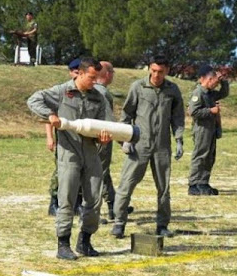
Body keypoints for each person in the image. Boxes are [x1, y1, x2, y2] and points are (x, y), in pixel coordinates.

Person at [28, 58, 112, 260]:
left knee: (94, 197)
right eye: (91, 78)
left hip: (91, 152)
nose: (94, 82)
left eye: (96, 78)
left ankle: (85, 241)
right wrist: (50, 115)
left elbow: (105, 123)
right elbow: (33, 100)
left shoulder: (98, 97)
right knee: (67, 198)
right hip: (69, 153)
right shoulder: (62, 91)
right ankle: (63, 244)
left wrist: (104, 136)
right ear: (80, 74)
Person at [112, 54, 185, 239]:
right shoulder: (138, 87)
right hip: (139, 145)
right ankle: (119, 223)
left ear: (167, 70)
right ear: (149, 69)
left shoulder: (173, 90)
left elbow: (177, 118)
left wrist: (178, 140)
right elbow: (126, 115)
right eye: (153, 71)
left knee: (164, 188)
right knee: (126, 185)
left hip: (162, 146)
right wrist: (125, 139)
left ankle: (162, 225)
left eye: (161, 71)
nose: (156, 75)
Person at [94, 61, 134, 221]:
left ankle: (113, 205)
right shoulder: (102, 93)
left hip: (96, 136)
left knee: (103, 172)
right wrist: (123, 140)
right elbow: (109, 122)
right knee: (98, 173)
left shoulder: (96, 90)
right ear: (108, 74)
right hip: (101, 137)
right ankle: (92, 211)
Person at [46, 58, 82, 216]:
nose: (77, 75)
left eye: (80, 72)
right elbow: (49, 115)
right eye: (75, 72)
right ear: (70, 72)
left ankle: (78, 203)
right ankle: (54, 202)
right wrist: (50, 137)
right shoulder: (62, 92)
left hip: (82, 140)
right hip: (65, 140)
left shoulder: (88, 92)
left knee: (81, 172)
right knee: (61, 171)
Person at [188, 65, 229, 196]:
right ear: (209, 79)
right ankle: (194, 184)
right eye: (216, 82)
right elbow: (193, 112)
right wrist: (211, 111)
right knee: (200, 156)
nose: (216, 85)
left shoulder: (211, 94)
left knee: (209, 156)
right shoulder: (198, 93)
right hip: (201, 129)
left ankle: (203, 182)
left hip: (211, 128)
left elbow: (224, 93)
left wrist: (223, 81)